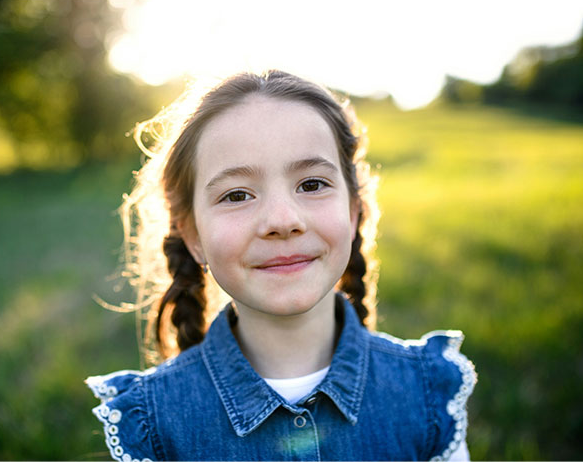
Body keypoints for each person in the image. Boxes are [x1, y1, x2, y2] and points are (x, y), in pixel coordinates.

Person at [85, 70, 477, 461]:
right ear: (193, 236)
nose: (281, 220)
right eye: (237, 194)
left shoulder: (425, 394)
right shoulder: (152, 424)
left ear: (354, 210)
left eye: (311, 184)